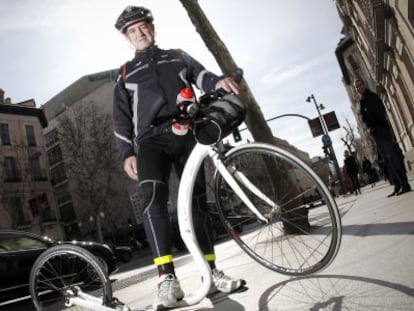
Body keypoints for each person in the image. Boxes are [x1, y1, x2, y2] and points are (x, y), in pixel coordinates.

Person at [112, 6, 245, 310]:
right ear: (127, 38)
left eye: (144, 27)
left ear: (152, 28)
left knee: (198, 203)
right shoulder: (124, 73)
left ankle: (211, 273)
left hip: (189, 132)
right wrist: (126, 154)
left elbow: (203, 76)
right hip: (149, 141)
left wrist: (218, 83)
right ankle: (166, 280)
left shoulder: (177, 55)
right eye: (133, 31)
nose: (140, 33)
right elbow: (120, 119)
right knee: (153, 201)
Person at [354, 78, 411, 197]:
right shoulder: (362, 101)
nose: (359, 88)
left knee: (393, 158)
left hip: (382, 131)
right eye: (356, 87)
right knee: (387, 160)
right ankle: (397, 185)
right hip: (376, 134)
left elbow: (380, 113)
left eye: (360, 85)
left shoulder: (372, 97)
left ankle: (404, 184)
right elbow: (365, 118)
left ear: (364, 85)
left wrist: (374, 126)